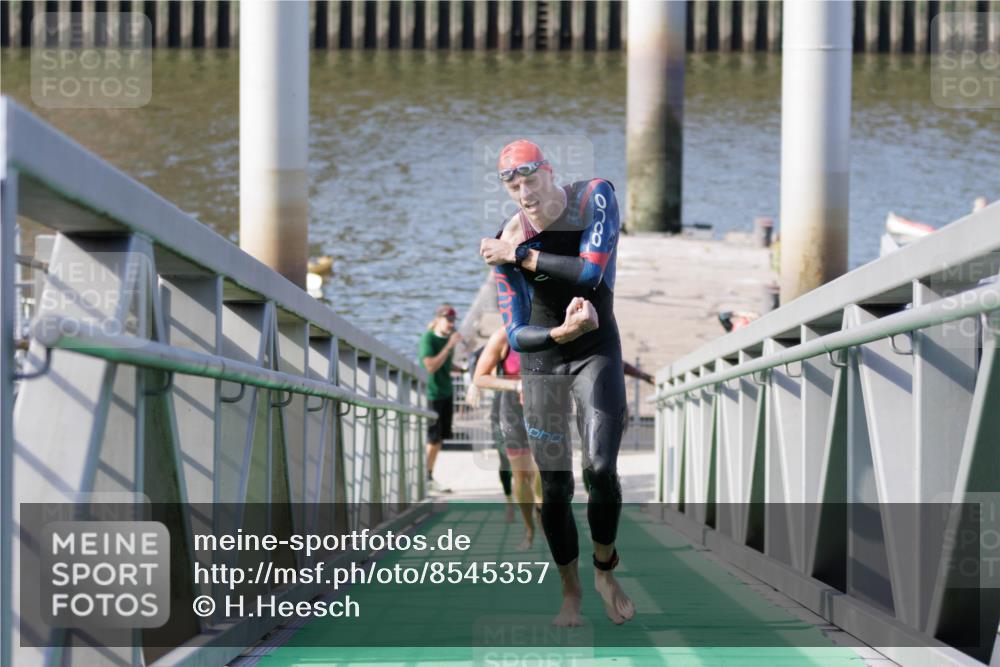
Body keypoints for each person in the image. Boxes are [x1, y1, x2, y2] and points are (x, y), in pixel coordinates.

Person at [479, 139, 635, 626]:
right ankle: (571, 592)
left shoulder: (593, 197)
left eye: (531, 180)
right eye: (514, 187)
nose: (526, 194)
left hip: (596, 349)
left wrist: (520, 256)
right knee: (555, 486)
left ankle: (605, 568)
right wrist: (557, 333)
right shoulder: (507, 238)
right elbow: (515, 334)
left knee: (601, 467)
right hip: (544, 359)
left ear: (550, 172)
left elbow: (589, 274)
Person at [469, 328, 544, 550]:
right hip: (512, 411)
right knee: (520, 475)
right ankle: (529, 530)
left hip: (544, 408)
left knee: (543, 473)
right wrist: (516, 385)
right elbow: (480, 374)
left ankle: (542, 513)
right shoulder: (504, 335)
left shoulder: (551, 327)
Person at [419, 304, 462, 493]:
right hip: (432, 394)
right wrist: (450, 346)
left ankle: (429, 475)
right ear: (438, 319)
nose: (451, 324)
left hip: (447, 392)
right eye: (448, 320)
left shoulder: (446, 338)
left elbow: (445, 364)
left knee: (439, 439)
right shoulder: (428, 338)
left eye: (453, 320)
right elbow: (430, 366)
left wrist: (461, 369)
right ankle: (424, 478)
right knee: (433, 438)